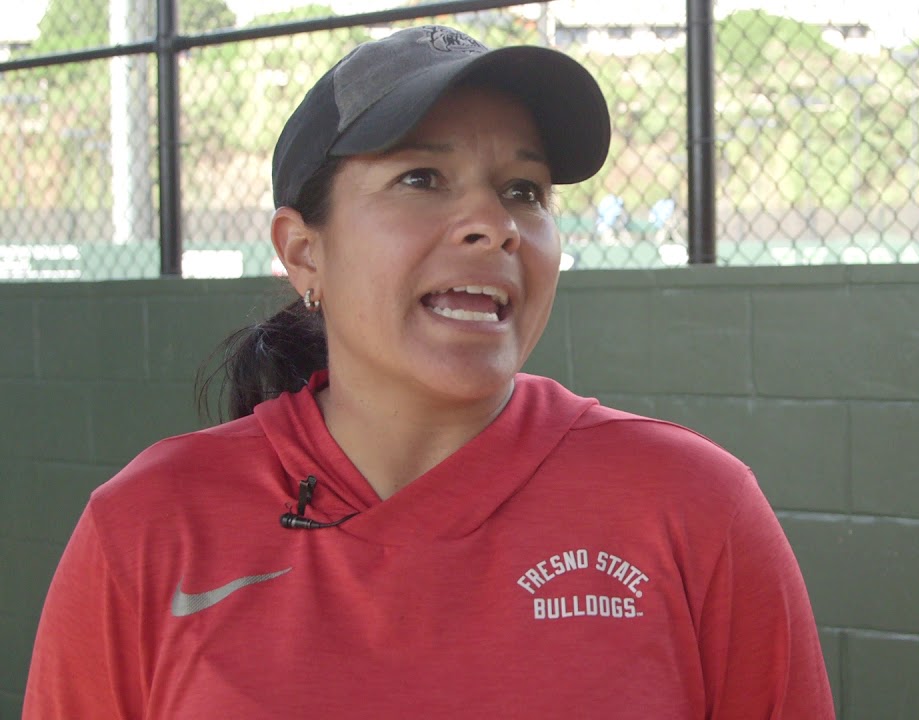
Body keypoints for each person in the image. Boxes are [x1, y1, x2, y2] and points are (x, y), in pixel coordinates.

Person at [23, 25, 834, 719]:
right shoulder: (147, 527)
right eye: (421, 179)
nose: (493, 225)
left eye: (524, 190)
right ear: (304, 250)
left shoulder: (694, 506)